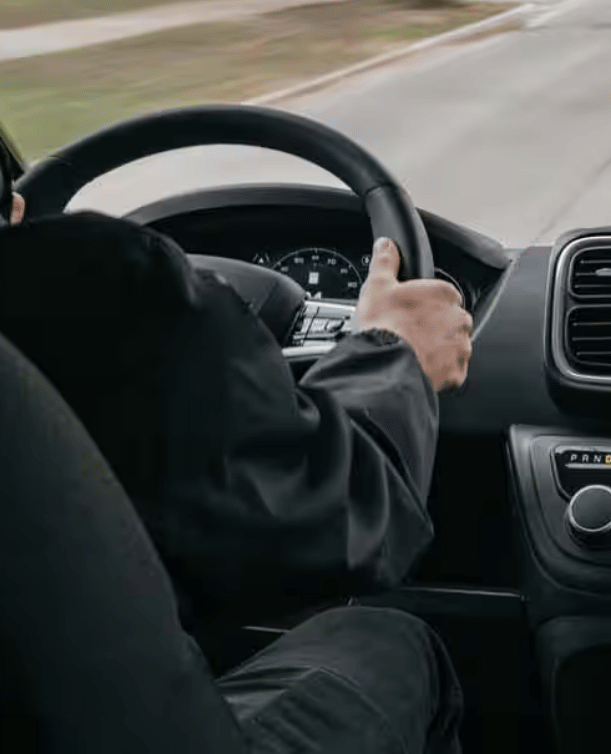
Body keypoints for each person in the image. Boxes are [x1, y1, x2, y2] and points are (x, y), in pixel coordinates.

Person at [0, 191, 472, 754]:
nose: (19, 201)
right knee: (390, 642)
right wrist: (396, 355)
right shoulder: (97, 281)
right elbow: (343, 513)